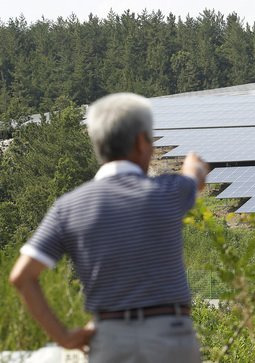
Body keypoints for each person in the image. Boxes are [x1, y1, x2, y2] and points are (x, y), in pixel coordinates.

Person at [9, 93, 208, 362]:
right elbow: (194, 177)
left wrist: (64, 337)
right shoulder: (169, 191)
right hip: (170, 336)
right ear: (141, 142)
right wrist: (193, 165)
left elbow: (22, 277)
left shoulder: (68, 207)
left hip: (109, 339)